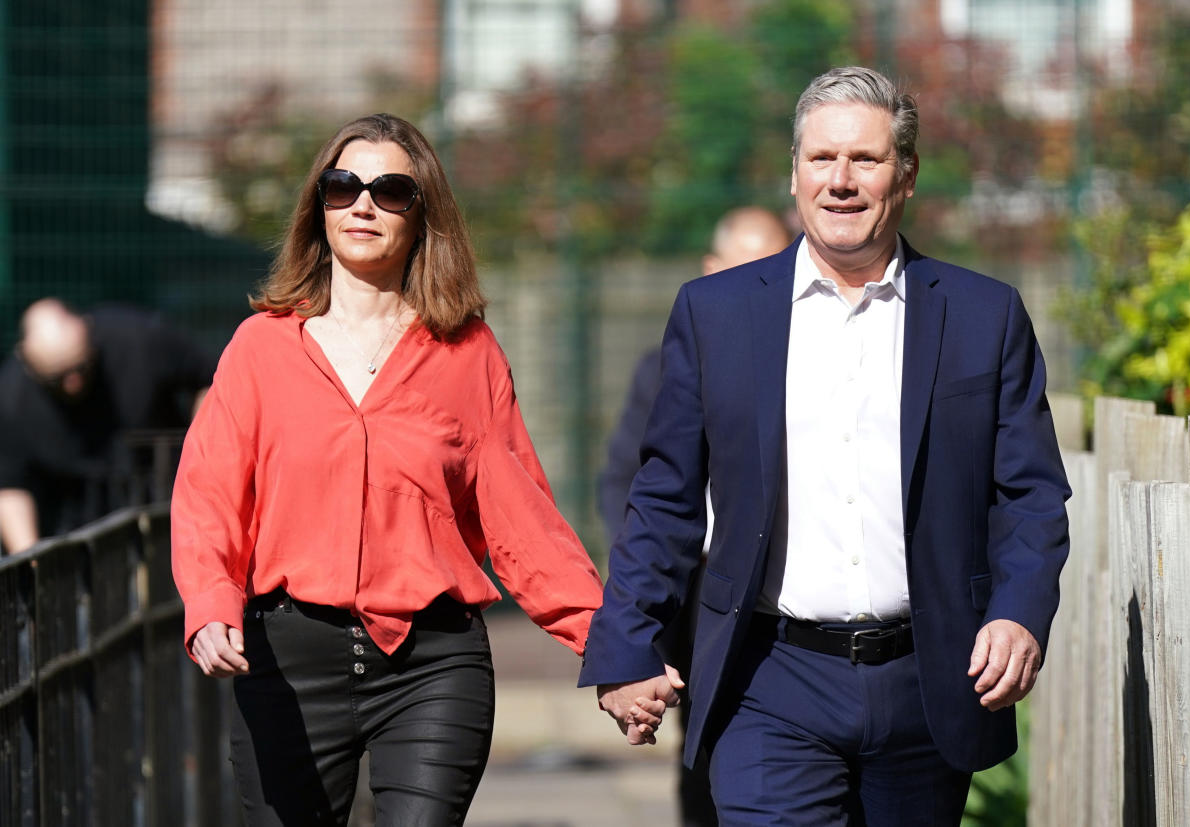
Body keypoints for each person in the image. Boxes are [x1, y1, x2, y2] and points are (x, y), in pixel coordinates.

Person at [580, 66, 1071, 825]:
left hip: (929, 679)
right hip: (769, 681)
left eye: (865, 160)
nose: (840, 181)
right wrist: (626, 645)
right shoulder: (716, 314)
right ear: (795, 174)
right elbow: (664, 498)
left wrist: (1018, 612)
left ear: (905, 175)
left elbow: (1030, 494)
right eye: (821, 159)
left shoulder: (984, 317)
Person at [171, 113, 603, 826]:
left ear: (422, 213)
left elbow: (521, 517)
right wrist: (212, 604)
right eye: (343, 186)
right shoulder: (260, 349)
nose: (363, 204)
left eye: (390, 190)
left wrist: (609, 644)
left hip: (433, 664)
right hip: (285, 660)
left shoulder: (468, 352)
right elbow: (209, 496)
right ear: (320, 206)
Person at [596, 206, 791, 826]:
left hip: (778, 582)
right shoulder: (665, 364)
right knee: (700, 741)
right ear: (712, 269)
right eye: (744, 263)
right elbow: (630, 482)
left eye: (774, 261)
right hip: (697, 582)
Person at [0, 298, 214, 553]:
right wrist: (30, 557)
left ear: (87, 330)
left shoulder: (138, 338)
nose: (73, 384)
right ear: (27, 362)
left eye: (82, 368)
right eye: (58, 379)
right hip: (73, 537)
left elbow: (210, 381)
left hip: (165, 510)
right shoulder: (11, 397)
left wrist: (203, 454)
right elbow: (10, 487)